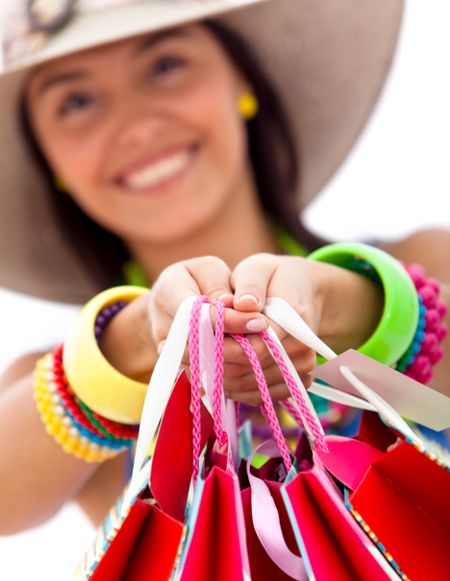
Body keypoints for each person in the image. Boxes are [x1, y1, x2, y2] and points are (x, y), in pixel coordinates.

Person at [0, 0, 448, 534]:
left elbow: (439, 386)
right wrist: (139, 342)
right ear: (51, 162)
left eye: (165, 65)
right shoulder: (50, 381)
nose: (137, 125)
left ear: (244, 79)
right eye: (75, 101)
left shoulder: (426, 261)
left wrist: (332, 304)